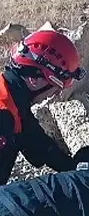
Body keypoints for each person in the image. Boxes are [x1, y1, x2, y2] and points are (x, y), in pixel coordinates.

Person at [0, 29, 83, 184]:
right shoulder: (4, 115)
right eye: (56, 86)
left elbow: (41, 147)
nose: (55, 95)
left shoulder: (14, 102)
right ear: (35, 80)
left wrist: (85, 171)